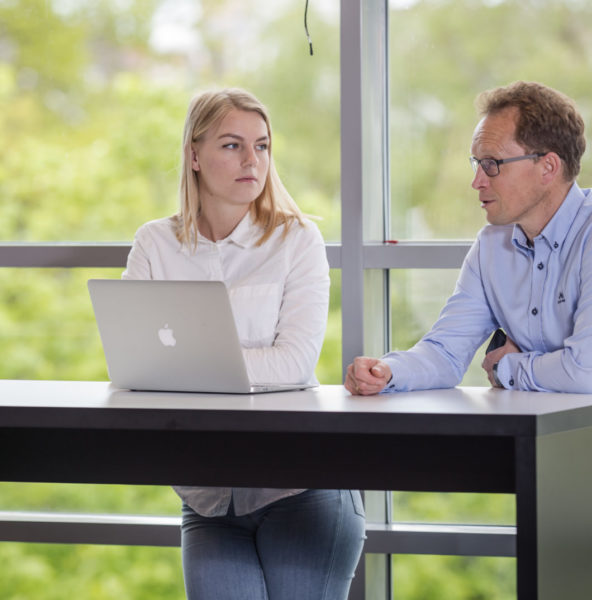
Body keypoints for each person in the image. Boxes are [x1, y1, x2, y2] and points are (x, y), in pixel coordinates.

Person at [123, 88, 365, 600]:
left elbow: (295, 362)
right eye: (232, 145)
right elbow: (135, 362)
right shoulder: (154, 244)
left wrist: (186, 366)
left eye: (262, 146)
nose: (252, 160)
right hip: (208, 499)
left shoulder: (297, 240)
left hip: (303, 486)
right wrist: (197, 367)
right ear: (193, 154)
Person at [345, 81, 592, 395]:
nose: (477, 182)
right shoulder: (492, 245)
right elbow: (446, 352)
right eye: (477, 164)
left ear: (548, 167)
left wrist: (508, 367)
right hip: (538, 435)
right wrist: (386, 372)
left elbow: (585, 372)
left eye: (492, 165)